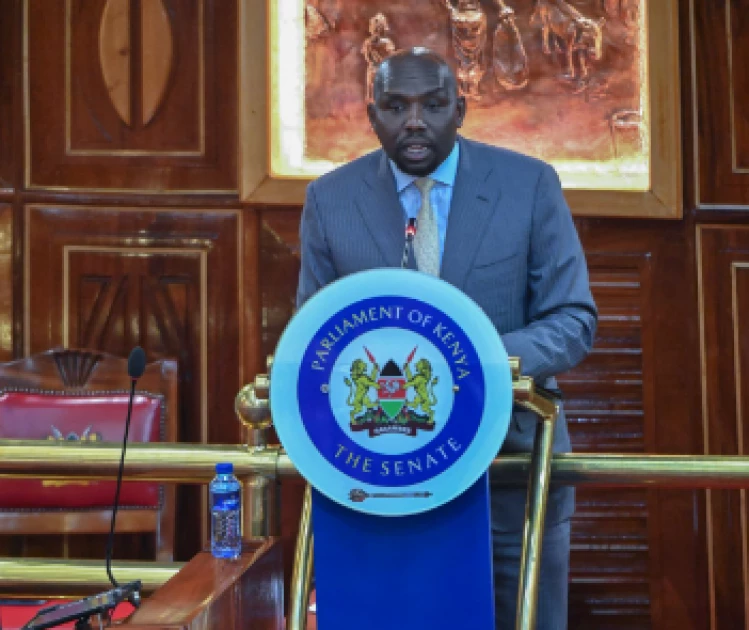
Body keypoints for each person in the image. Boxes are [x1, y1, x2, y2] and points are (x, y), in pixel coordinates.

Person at [296, 48, 597, 630]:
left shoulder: (528, 185)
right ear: (371, 115)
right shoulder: (331, 201)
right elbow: (316, 338)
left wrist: (471, 363)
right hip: (382, 481)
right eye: (396, 106)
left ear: (460, 110)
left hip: (511, 472)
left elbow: (572, 320)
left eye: (433, 105)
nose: (415, 121)